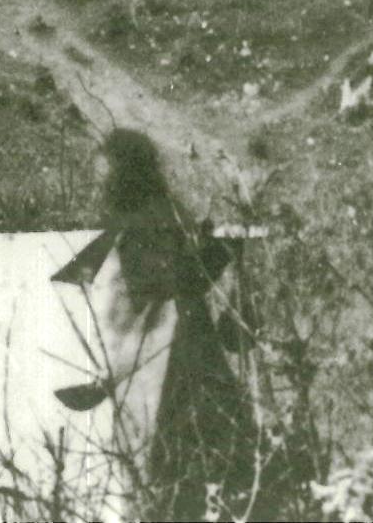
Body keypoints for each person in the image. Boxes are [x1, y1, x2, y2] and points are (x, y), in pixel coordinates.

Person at [94, 130, 256, 519]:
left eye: (105, 172)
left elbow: (180, 276)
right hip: (170, 352)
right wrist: (224, 248)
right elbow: (180, 279)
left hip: (168, 351)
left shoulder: (142, 216)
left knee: (180, 462)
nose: (99, 181)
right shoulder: (148, 217)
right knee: (207, 454)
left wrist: (215, 248)